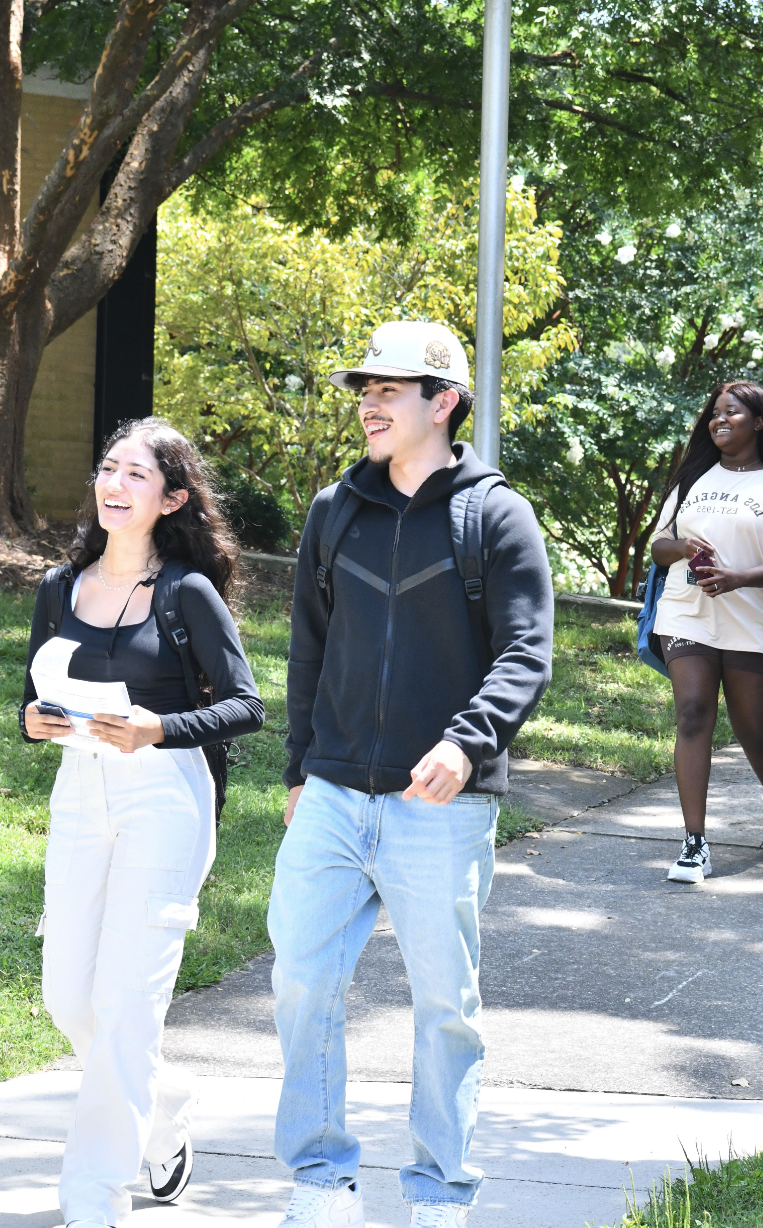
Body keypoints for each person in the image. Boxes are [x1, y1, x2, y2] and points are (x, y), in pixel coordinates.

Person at [270, 321, 554, 1228]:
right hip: (334, 793)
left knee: (446, 1006)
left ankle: (438, 1192)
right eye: (366, 388)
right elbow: (309, 649)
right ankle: (320, 1182)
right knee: (303, 979)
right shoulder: (334, 509)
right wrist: (299, 770)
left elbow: (526, 653)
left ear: (444, 402)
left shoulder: (494, 514)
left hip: (441, 805)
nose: (369, 402)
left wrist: (466, 743)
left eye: (389, 389)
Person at [20, 419, 265, 1227]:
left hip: (164, 795)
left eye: (136, 473)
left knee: (126, 1005)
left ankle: (92, 1202)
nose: (114, 484)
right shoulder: (61, 585)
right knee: (68, 998)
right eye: (108, 468)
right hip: (79, 789)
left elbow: (245, 706)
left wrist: (158, 728)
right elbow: (30, 694)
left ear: (172, 498)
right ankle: (161, 1112)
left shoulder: (186, 592)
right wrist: (33, 722)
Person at [648, 380, 763, 883]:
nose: (719, 420)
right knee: (692, 713)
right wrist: (684, 550)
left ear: (758, 422)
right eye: (714, 414)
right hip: (686, 611)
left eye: (731, 412)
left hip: (750, 617)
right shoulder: (693, 478)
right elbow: (659, 545)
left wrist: (736, 578)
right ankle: (694, 843)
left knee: (754, 728)